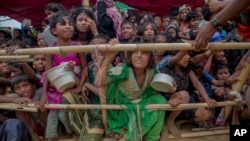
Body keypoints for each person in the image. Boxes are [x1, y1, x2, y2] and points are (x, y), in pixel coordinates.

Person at [95, 37, 166, 141]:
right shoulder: (123, 70)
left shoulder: (152, 71)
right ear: (130, 55)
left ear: (150, 57)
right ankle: (128, 138)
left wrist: (172, 89)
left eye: (144, 53)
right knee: (152, 114)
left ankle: (151, 138)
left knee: (161, 101)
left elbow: (161, 86)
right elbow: (98, 83)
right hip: (123, 111)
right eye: (134, 52)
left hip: (140, 105)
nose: (139, 56)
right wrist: (110, 56)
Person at [40, 11, 87, 141]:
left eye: (70, 24)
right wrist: (44, 95)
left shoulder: (78, 46)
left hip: (73, 85)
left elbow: (84, 68)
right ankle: (50, 136)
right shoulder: (51, 48)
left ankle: (72, 132)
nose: (68, 26)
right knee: (53, 115)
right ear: (54, 30)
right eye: (63, 24)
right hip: (57, 88)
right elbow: (48, 73)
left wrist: (79, 87)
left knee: (64, 115)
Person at [11, 73, 46, 141]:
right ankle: (33, 135)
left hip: (45, 124)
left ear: (34, 85)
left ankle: (47, 133)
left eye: (26, 85)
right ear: (14, 91)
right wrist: (14, 100)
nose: (23, 90)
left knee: (44, 105)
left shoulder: (41, 92)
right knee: (18, 108)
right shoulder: (16, 97)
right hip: (31, 128)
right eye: (18, 88)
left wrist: (40, 102)